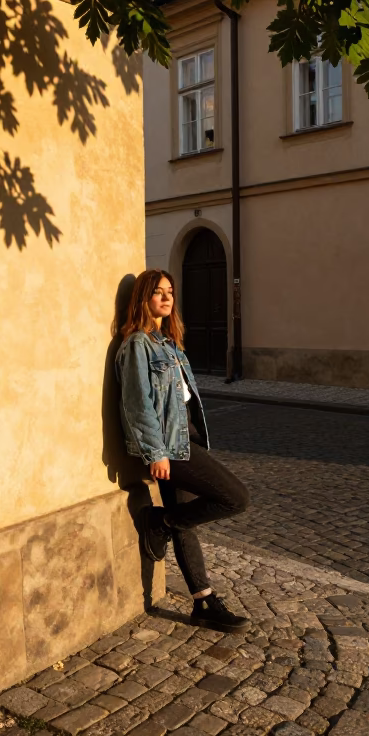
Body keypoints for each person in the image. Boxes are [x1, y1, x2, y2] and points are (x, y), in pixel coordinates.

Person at [115, 268, 252, 634]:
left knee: (185, 519)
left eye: (170, 292)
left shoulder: (169, 343)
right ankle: (159, 522)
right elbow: (137, 404)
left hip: (186, 438)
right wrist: (155, 452)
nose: (166, 297)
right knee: (235, 497)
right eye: (157, 292)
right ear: (142, 298)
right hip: (171, 447)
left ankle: (203, 602)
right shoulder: (136, 346)